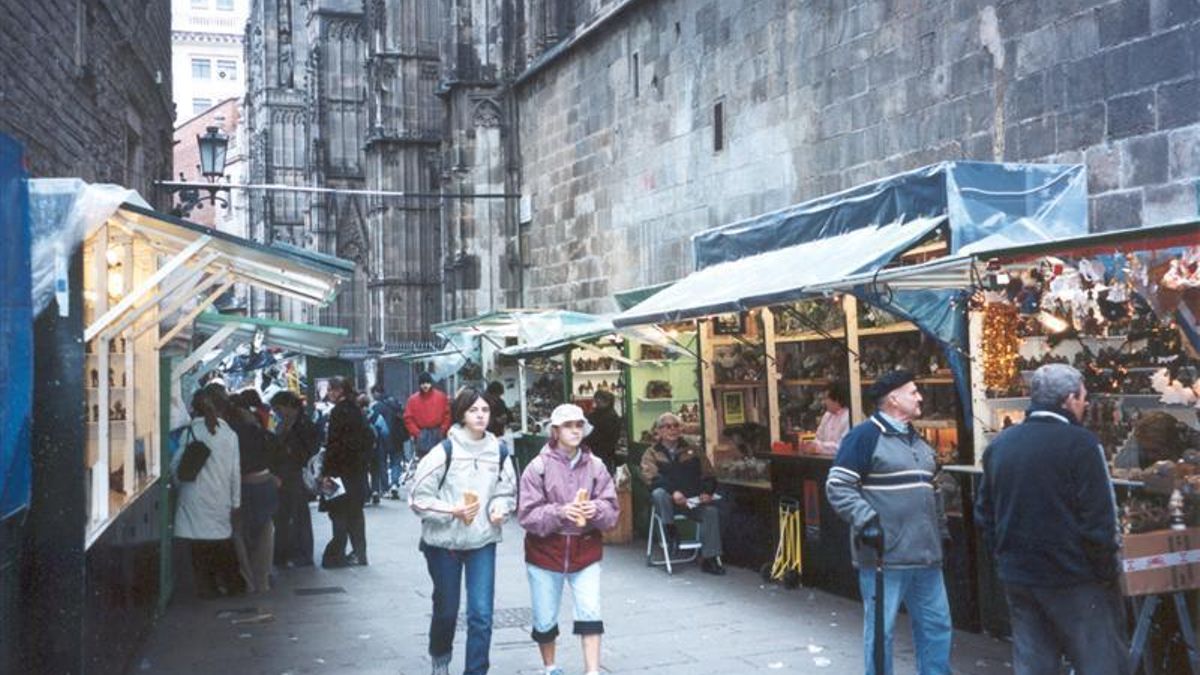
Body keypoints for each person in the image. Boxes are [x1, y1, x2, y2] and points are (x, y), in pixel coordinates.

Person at [975, 364, 1129, 675]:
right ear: (1069, 398)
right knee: (1099, 661)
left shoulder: (1001, 445)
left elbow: (984, 513)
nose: (1085, 404)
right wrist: (1105, 570)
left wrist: (1005, 556)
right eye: (1083, 397)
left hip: (1019, 575)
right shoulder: (1082, 444)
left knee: (1034, 663)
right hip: (1073, 577)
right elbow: (1100, 517)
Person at [826, 370, 951, 675]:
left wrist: (941, 528)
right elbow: (838, 486)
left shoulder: (918, 442)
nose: (920, 397)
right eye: (913, 392)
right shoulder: (864, 436)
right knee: (882, 630)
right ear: (894, 399)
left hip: (925, 556)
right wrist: (866, 519)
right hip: (885, 556)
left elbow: (931, 490)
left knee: (937, 627)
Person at [410, 386, 517, 675]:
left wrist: (500, 509)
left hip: (482, 541)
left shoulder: (499, 451)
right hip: (444, 544)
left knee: (481, 614)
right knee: (446, 610)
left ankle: (476, 671)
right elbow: (418, 498)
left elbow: (507, 491)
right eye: (474, 410)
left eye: (485, 410)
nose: (481, 415)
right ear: (461, 414)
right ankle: (440, 656)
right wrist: (451, 511)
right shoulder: (443, 451)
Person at [518, 404, 619, 675]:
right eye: (568, 425)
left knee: (590, 612)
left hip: (585, 549)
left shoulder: (596, 466)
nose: (575, 430)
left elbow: (612, 512)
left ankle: (592, 670)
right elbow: (526, 515)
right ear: (555, 431)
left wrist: (595, 509)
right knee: (544, 616)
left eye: (579, 425)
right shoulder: (537, 467)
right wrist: (561, 511)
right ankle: (550, 668)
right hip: (545, 551)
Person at [173, 387, 244, 599]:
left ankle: (207, 588)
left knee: (198, 546)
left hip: (193, 498)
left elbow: (176, 466)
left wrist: (179, 484)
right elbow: (235, 473)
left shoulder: (190, 432)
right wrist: (236, 502)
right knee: (221, 542)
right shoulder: (230, 435)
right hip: (220, 498)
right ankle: (232, 585)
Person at [639, 411, 725, 575]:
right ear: (659, 431)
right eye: (667, 426)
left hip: (691, 501)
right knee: (658, 493)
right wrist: (674, 493)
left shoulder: (693, 450)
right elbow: (651, 478)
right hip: (668, 504)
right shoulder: (651, 453)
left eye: (676, 426)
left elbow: (709, 474)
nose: (673, 430)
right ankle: (671, 532)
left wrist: (707, 492)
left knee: (711, 512)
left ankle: (710, 559)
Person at [219, 387, 282, 594]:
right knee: (265, 529)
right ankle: (262, 579)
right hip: (266, 483)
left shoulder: (229, 433)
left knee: (239, 532)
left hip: (245, 485)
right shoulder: (257, 429)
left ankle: (248, 580)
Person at [321, 377, 372, 568]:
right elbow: (368, 439)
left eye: (331, 390)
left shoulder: (337, 412)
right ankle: (360, 553)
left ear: (340, 390)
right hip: (357, 472)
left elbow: (334, 445)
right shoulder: (357, 410)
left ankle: (337, 553)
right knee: (356, 514)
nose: (329, 394)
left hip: (339, 472)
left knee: (339, 512)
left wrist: (327, 473)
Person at [270, 390, 319, 568]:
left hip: (296, 475)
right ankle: (287, 552)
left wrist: (288, 449)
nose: (277, 413)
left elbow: (308, 450)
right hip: (285, 475)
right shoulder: (285, 424)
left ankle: (302, 553)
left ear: (290, 407)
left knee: (298, 515)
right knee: (286, 515)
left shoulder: (304, 425)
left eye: (279, 408)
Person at [371, 384, 409, 499]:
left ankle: (385, 487)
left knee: (382, 463)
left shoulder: (376, 407)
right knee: (395, 462)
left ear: (376, 393)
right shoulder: (396, 404)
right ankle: (394, 484)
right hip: (397, 437)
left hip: (382, 438)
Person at [405, 371, 452, 460]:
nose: (425, 385)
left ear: (431, 383)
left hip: (436, 432)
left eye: (427, 383)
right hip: (423, 433)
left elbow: (447, 414)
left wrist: (442, 429)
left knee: (440, 460)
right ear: (419, 384)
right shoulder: (412, 400)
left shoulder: (441, 397)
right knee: (424, 461)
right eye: (423, 383)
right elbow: (408, 418)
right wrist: (417, 433)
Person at [803, 382, 850, 455]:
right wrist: (811, 445)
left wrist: (819, 447)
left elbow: (843, 447)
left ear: (836, 399)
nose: (823, 402)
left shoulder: (849, 417)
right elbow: (818, 438)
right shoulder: (827, 416)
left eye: (826, 399)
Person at [585, 389, 622, 473]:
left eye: (597, 400)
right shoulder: (607, 414)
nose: (595, 403)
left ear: (605, 401)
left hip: (601, 452)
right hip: (604, 452)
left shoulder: (607, 417)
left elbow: (597, 435)